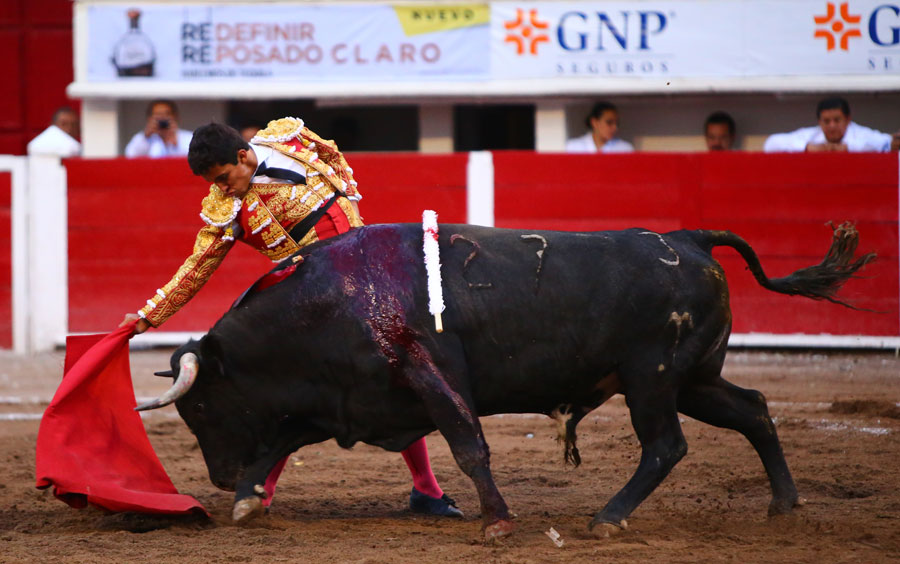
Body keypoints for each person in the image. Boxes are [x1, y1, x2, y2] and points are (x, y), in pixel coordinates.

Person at [119, 118, 461, 520]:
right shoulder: (227, 209)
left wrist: (352, 211)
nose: (222, 188)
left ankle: (425, 489)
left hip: (367, 277)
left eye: (224, 178)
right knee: (295, 392)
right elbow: (197, 266)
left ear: (243, 156)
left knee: (398, 373)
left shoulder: (287, 137)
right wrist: (149, 316)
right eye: (214, 183)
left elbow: (333, 157)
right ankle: (261, 492)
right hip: (313, 302)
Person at [764, 97, 899, 153]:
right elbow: (770, 144)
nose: (832, 126)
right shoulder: (812, 135)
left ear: (848, 119)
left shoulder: (861, 134)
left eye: (837, 120)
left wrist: (848, 148)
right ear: (819, 122)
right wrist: (807, 147)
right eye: (826, 121)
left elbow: (888, 143)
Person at [124, 99, 193, 157]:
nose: (162, 118)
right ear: (149, 118)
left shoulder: (188, 138)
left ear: (175, 117)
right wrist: (146, 137)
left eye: (166, 114)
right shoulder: (142, 138)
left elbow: (193, 157)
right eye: (158, 115)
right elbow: (130, 154)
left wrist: (175, 142)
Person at [565, 101, 634, 153]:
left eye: (617, 123)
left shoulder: (625, 149)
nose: (615, 127)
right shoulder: (574, 147)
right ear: (594, 122)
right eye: (609, 122)